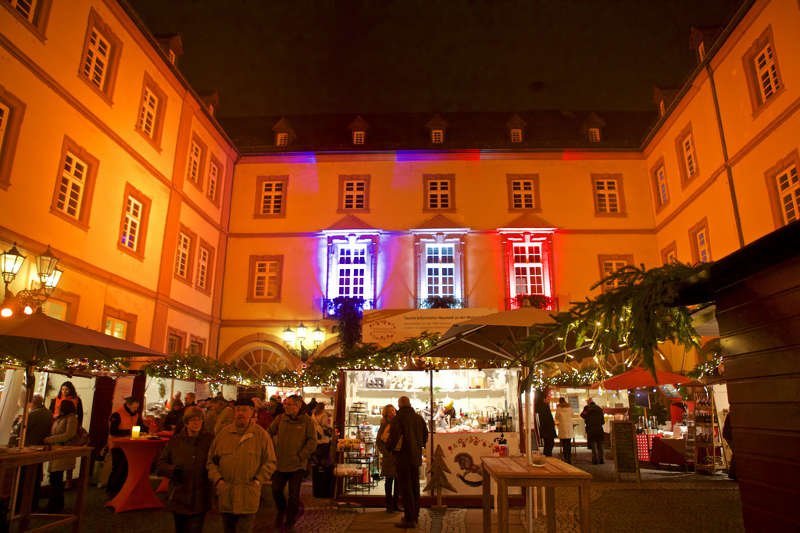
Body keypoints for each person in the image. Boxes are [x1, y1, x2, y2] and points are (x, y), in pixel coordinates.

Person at [208, 398, 276, 533]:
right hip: (226, 494)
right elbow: (211, 462)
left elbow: (270, 462)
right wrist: (218, 481)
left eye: (244, 410)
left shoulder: (261, 435)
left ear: (251, 412)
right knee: (228, 529)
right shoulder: (223, 434)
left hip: (248, 494)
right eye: (238, 409)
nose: (240, 413)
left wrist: (258, 480)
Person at [157, 406, 214, 533]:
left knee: (195, 529)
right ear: (186, 422)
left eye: (199, 419)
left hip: (200, 495)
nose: (196, 422)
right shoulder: (176, 441)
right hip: (179, 494)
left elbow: (215, 461)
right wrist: (172, 470)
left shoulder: (209, 440)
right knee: (180, 528)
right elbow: (160, 464)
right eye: (193, 419)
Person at [268, 395, 317, 532]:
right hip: (280, 462)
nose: (286, 407)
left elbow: (312, 441)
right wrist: (271, 450)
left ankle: (290, 521)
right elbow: (268, 433)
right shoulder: (280, 419)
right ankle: (281, 509)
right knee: (276, 489)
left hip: (297, 464)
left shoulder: (307, 421)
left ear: (298, 406)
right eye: (285, 404)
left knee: (293, 495)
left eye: (289, 404)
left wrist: (301, 455)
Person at [386, 396, 428, 529]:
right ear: (409, 404)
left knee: (406, 488)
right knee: (415, 486)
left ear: (399, 405)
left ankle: (409, 519)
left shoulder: (398, 419)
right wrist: (418, 446)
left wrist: (389, 448)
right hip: (416, 457)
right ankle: (415, 514)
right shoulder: (418, 418)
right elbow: (425, 435)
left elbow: (393, 438)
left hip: (403, 457)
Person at [106, 396, 147, 496]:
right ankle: (112, 490)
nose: (136, 409)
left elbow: (141, 426)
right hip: (117, 445)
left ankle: (121, 490)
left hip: (129, 445)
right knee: (118, 468)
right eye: (134, 407)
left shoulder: (135, 415)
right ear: (128, 405)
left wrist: (146, 430)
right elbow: (113, 431)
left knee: (125, 468)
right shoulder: (117, 414)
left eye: (137, 407)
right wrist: (128, 432)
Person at [18, 394, 52, 511]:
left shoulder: (33, 414)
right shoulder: (48, 413)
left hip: (28, 449)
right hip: (40, 448)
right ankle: (33, 503)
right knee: (36, 477)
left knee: (24, 478)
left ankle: (22, 505)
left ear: (32, 403)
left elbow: (20, 428)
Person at [43, 400, 78, 513]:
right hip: (56, 451)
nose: (57, 407)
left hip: (63, 452)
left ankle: (55, 505)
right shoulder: (60, 418)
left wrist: (50, 439)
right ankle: (56, 504)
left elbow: (69, 434)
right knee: (54, 478)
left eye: (60, 406)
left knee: (56, 478)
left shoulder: (71, 419)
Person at [376, 404, 400, 513]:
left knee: (398, 482)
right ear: (386, 413)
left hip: (397, 456)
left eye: (394, 410)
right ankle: (389, 504)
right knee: (389, 481)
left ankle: (396, 504)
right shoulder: (384, 425)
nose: (393, 412)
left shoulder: (398, 423)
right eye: (391, 410)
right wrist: (385, 452)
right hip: (389, 457)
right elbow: (379, 441)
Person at [580, 397, 605, 464]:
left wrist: (587, 418)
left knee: (594, 445)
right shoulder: (599, 409)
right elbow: (603, 422)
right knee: (600, 445)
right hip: (599, 429)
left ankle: (595, 460)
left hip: (591, 429)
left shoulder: (587, 408)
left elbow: (582, 415)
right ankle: (601, 459)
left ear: (588, 402)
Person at [534, 390, 556, 456]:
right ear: (543, 398)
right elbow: (548, 419)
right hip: (547, 428)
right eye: (547, 397)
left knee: (548, 444)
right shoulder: (544, 406)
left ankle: (547, 456)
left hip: (545, 428)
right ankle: (547, 457)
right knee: (550, 443)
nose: (549, 399)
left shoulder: (539, 406)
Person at [311, 402, 332, 466]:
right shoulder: (324, 415)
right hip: (322, 435)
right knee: (324, 454)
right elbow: (325, 425)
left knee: (317, 450)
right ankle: (322, 466)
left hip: (315, 433)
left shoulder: (313, 414)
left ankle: (316, 464)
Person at [554, 397, 574, 464]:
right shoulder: (569, 407)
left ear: (560, 402)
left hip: (563, 427)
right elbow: (572, 415)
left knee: (564, 443)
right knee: (568, 443)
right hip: (569, 428)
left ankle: (566, 458)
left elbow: (556, 417)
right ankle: (569, 458)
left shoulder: (559, 408)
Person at [722, 409, 736, 480]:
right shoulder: (733, 414)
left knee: (736, 453)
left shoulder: (732, 413)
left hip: (728, 435)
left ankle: (733, 474)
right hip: (729, 435)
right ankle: (733, 474)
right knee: (736, 452)